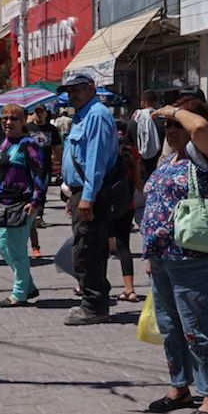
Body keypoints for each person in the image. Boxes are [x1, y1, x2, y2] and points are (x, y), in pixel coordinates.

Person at [141, 95, 208, 414]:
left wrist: (177, 111)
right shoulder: (170, 160)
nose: (172, 129)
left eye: (179, 124)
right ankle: (180, 387)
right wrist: (151, 254)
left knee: (198, 329)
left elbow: (203, 128)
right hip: (163, 258)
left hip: (193, 258)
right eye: (168, 125)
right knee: (170, 328)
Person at [60, 74, 118, 325]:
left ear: (91, 89)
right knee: (88, 248)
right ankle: (94, 302)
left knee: (86, 251)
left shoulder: (96, 114)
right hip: (81, 192)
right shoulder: (82, 115)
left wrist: (87, 197)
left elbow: (95, 159)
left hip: (90, 193)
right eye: (69, 91)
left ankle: (93, 306)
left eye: (77, 90)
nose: (72, 95)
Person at [0, 104, 46, 307]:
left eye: (14, 118)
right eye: (4, 118)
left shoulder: (28, 144)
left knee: (16, 250)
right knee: (3, 247)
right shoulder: (4, 144)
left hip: (22, 204)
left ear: (23, 121)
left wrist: (36, 201)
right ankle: (28, 285)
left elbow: (40, 174)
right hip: (2, 204)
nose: (8, 122)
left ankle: (20, 293)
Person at [111, 121, 143, 302]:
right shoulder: (133, 153)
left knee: (100, 247)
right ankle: (129, 289)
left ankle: (91, 284)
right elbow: (138, 182)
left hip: (105, 205)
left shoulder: (106, 150)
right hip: (126, 205)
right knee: (123, 246)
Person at [25, 105, 62, 237]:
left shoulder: (52, 129)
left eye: (41, 112)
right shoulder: (27, 128)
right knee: (29, 191)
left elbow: (57, 147)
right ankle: (30, 215)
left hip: (45, 167)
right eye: (36, 112)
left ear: (46, 114)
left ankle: (39, 216)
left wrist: (61, 163)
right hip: (28, 167)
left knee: (42, 191)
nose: (39, 114)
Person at [132, 90, 165, 179]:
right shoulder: (164, 121)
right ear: (156, 102)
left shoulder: (134, 121)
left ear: (144, 102)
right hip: (159, 168)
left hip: (139, 169)